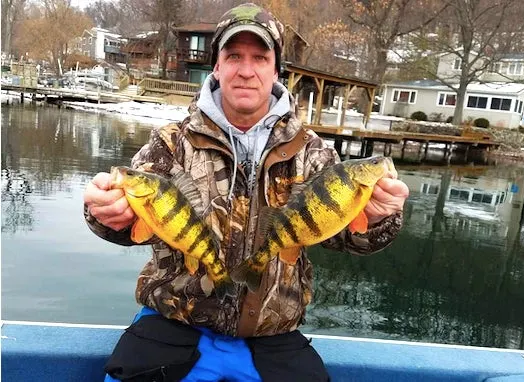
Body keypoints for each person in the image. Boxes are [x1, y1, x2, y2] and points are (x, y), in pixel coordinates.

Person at [83, 3, 410, 382]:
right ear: (217, 66)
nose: (245, 69)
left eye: (260, 57)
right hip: (173, 323)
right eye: (233, 55)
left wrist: (380, 218)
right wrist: (103, 213)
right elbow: (128, 224)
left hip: (273, 335)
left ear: (275, 70)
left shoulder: (314, 152)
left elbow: (348, 239)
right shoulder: (170, 144)